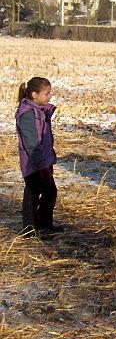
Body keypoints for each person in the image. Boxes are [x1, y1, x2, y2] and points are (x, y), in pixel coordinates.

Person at [15, 77, 62, 236]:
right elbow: (32, 144)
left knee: (49, 192)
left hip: (42, 162)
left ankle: (44, 225)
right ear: (35, 95)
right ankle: (29, 230)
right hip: (33, 164)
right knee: (33, 195)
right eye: (47, 93)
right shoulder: (28, 114)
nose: (50, 96)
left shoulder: (39, 111)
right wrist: (41, 165)